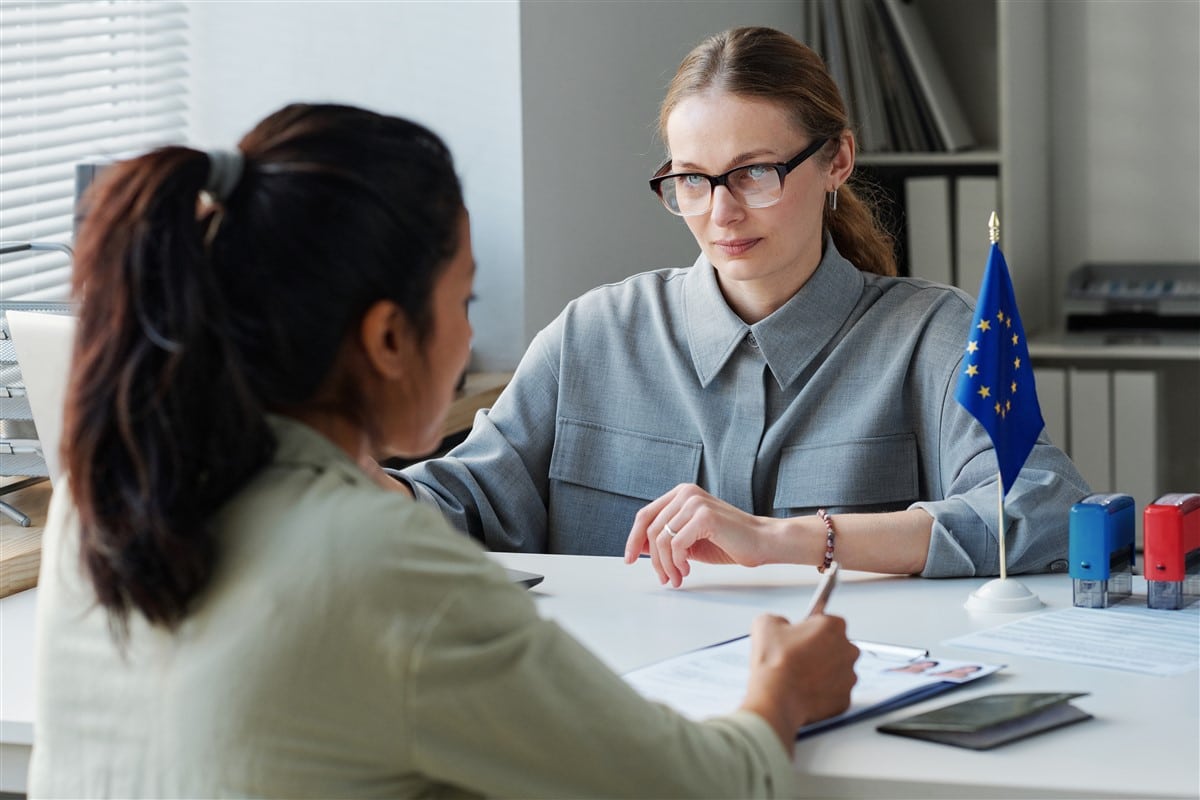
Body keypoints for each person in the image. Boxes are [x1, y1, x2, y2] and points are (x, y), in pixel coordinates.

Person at [30, 103, 860, 797]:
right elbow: (702, 789)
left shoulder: (103, 498)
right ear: (389, 337)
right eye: (465, 297)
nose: (471, 330)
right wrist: (782, 693)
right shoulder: (387, 564)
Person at [399, 26, 1089, 585]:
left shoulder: (932, 334)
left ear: (837, 161)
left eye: (755, 173)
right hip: (624, 710)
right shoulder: (593, 334)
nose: (721, 212)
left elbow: (1042, 508)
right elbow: (465, 500)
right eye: (693, 180)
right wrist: (344, 475)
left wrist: (782, 539)